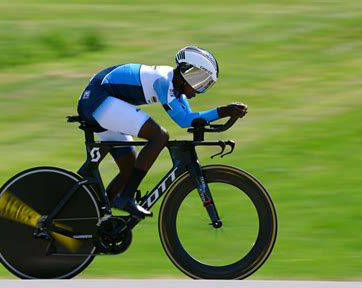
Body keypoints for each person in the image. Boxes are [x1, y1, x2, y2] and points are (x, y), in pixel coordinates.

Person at [77, 46, 248, 217]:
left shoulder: (176, 86)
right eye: (199, 81)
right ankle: (126, 197)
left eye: (205, 85)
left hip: (102, 102)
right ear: (186, 73)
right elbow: (183, 121)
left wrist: (224, 115)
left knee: (129, 170)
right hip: (98, 100)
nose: (199, 89)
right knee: (159, 136)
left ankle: (100, 220)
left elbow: (190, 117)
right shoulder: (164, 81)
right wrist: (223, 111)